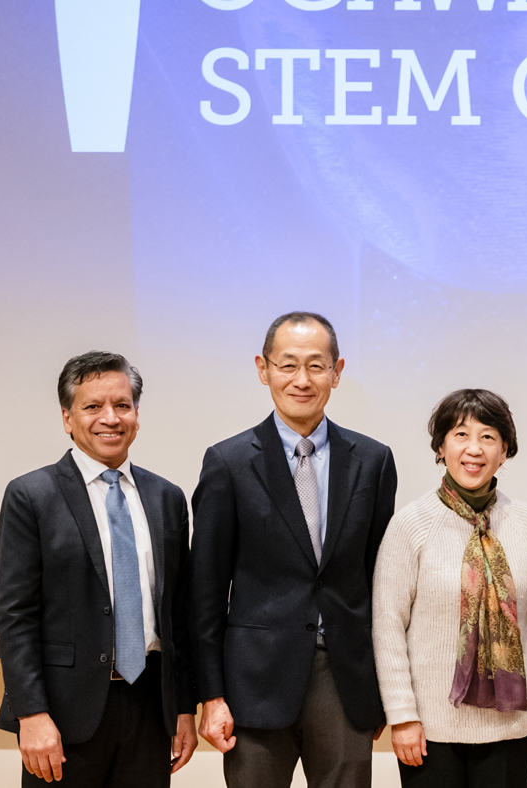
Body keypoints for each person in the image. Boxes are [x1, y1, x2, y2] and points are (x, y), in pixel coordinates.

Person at [191, 312, 399, 788]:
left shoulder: (373, 461)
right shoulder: (228, 462)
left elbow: (380, 582)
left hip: (345, 679)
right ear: (263, 369)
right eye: (287, 365)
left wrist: (382, 689)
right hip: (253, 683)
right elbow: (205, 592)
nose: (301, 380)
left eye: (316, 366)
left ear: (336, 372)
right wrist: (212, 695)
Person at [0, 352, 198, 786]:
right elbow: (16, 617)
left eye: (122, 405)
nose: (110, 418)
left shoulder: (167, 498)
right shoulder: (32, 496)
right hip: (64, 713)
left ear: (137, 415)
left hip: (150, 706)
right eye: (93, 406)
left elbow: (179, 615)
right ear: (67, 418)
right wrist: (31, 713)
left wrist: (184, 707)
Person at [372, 389, 527, 788]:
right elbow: (387, 627)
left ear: (504, 451)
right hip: (430, 730)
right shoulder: (410, 524)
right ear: (441, 447)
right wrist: (402, 715)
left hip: (512, 727)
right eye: (460, 435)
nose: (474, 449)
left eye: (488, 437)